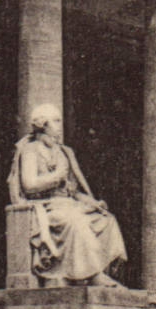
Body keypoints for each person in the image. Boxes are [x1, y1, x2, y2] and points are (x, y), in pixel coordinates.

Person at [8, 103, 127, 286]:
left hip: (69, 204)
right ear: (43, 124)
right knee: (75, 221)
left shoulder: (64, 153)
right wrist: (56, 177)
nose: (59, 126)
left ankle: (96, 273)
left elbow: (73, 192)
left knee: (106, 220)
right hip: (45, 207)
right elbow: (29, 185)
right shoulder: (31, 150)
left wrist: (93, 203)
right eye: (55, 121)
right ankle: (93, 275)